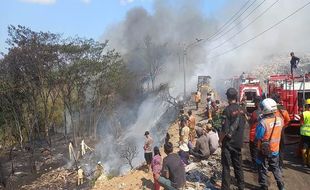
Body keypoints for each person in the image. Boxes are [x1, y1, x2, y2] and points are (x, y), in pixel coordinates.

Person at [219, 88, 246, 190]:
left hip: (228, 144)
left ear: (227, 97)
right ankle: (241, 187)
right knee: (238, 166)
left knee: (226, 167)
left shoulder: (227, 110)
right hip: (238, 143)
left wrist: (219, 140)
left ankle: (225, 188)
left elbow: (224, 131)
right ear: (236, 96)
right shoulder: (242, 110)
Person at [256, 98, 285, 190]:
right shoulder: (280, 120)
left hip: (263, 150)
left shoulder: (263, 122)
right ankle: (281, 186)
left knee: (262, 168)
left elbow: (258, 136)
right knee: (275, 168)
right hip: (275, 150)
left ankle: (264, 186)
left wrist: (259, 120)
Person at [272, 94, 290, 170]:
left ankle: (273, 165)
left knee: (273, 147)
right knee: (281, 148)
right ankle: (280, 165)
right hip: (281, 130)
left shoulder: (272, 109)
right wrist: (283, 126)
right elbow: (288, 120)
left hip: (273, 130)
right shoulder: (283, 109)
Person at [248, 96, 262, 170]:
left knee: (253, 151)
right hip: (262, 135)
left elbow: (251, 122)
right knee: (260, 151)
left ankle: (255, 166)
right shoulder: (264, 111)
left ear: (257, 103)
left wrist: (247, 117)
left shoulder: (255, 112)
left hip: (254, 135)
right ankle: (260, 165)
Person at [300, 99, 310, 167]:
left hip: (304, 134)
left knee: (304, 148)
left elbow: (301, 123)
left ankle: (304, 162)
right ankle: (309, 162)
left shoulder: (304, 113)